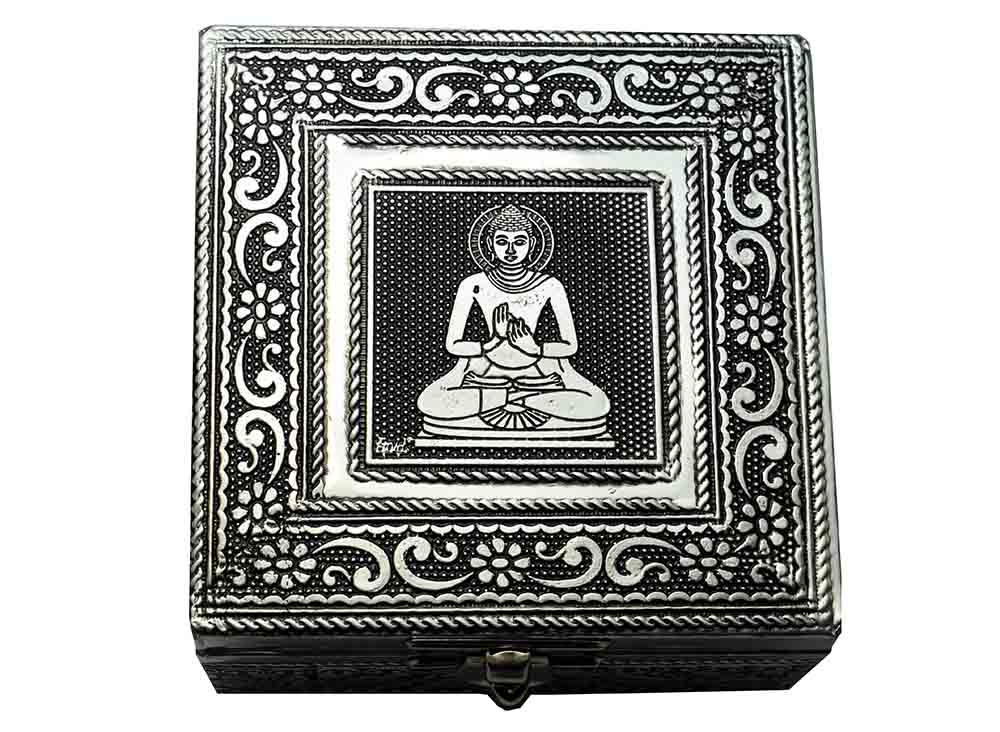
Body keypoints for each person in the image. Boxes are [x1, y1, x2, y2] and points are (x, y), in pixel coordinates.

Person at [416, 204, 611, 442]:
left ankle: (508, 399)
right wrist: (493, 342)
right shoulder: (472, 284)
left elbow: (571, 346)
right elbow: (453, 345)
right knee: (430, 401)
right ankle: (520, 399)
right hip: (485, 372)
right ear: (489, 245)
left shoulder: (550, 285)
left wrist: (534, 348)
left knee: (596, 403)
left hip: (539, 373)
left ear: (532, 244)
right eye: (502, 241)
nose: (510, 250)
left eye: (519, 242)